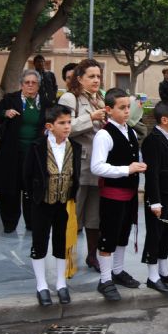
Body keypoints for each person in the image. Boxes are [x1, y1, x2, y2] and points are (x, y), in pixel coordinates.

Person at [90, 88, 147, 301]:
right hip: (112, 194)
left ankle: (118, 270)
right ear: (108, 109)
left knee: (122, 234)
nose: (126, 112)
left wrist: (139, 165)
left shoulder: (130, 131)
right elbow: (97, 167)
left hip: (129, 193)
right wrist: (127, 169)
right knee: (108, 237)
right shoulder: (104, 134)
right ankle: (105, 279)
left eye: (127, 108)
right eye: (121, 108)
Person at [23, 105, 81, 306]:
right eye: (62, 123)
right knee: (39, 242)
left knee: (60, 241)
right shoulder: (37, 147)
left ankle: (60, 282)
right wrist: (34, 197)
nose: (67, 127)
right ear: (50, 126)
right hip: (42, 203)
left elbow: (75, 174)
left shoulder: (74, 147)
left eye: (69, 122)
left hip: (63, 202)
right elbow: (27, 176)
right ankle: (41, 284)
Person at [0, 69, 51, 233]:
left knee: (32, 188)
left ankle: (31, 222)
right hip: (11, 152)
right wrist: (4, 112)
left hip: (35, 153)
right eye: (26, 82)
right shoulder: (10, 99)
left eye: (33, 83)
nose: (30, 85)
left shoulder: (46, 102)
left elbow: (53, 121)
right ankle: (9, 223)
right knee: (10, 189)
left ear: (38, 85)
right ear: (21, 84)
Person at [58, 59, 107, 271]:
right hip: (79, 165)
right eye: (91, 76)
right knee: (73, 213)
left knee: (95, 216)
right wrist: (91, 117)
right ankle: (66, 255)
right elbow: (65, 126)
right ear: (80, 78)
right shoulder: (70, 98)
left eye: (98, 76)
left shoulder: (102, 98)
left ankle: (92, 255)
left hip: (100, 165)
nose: (96, 80)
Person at [141, 101, 168, 293]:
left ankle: (164, 271)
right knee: (155, 235)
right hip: (158, 197)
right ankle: (152, 276)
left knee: (166, 234)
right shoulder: (153, 140)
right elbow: (153, 174)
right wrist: (155, 201)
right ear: (164, 119)